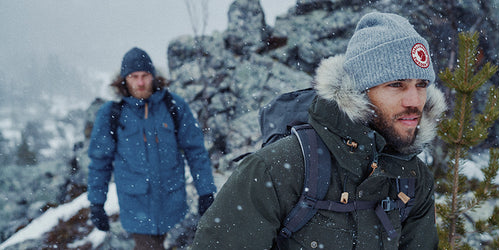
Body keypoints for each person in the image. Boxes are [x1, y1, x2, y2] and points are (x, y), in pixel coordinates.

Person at [191, 12, 446, 249]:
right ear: (359, 91)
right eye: (396, 84)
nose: (414, 101)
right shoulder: (277, 169)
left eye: (421, 84)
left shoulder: (412, 178)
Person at [87, 47, 216, 249]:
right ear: (123, 80)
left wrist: (206, 191)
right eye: (134, 76)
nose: (140, 83)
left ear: (154, 77)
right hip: (137, 207)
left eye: (145, 76)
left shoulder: (174, 106)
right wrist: (96, 203)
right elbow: (99, 162)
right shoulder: (112, 113)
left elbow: (195, 151)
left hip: (174, 204)